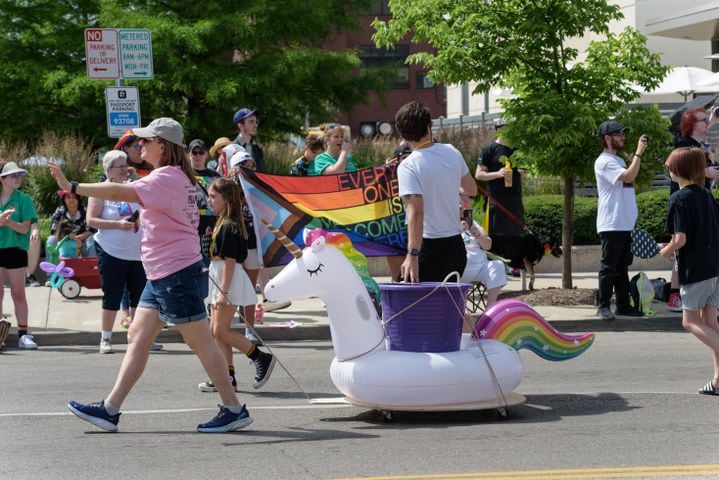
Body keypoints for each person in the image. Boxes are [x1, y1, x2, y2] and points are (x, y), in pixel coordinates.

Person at [52, 117, 254, 433]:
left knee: (201, 342)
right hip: (164, 274)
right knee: (139, 336)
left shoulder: (166, 178)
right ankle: (110, 409)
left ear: (163, 145)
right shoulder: (172, 177)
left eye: (146, 141)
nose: (140, 145)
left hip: (176, 275)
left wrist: (72, 186)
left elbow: (119, 192)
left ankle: (233, 408)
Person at [197, 178, 276, 392]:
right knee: (216, 331)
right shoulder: (223, 223)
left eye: (213, 196)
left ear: (227, 199)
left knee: (220, 330)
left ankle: (260, 357)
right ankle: (226, 377)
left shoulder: (229, 226)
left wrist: (223, 293)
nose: (209, 200)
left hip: (227, 281)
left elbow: (230, 262)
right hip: (220, 277)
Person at [86, 150, 161, 354]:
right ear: (109, 169)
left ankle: (140, 338)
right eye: (119, 166)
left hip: (138, 253)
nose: (124, 169)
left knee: (140, 297)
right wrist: (118, 224)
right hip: (111, 251)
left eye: (125, 165)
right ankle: (106, 338)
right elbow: (91, 220)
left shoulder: (135, 187)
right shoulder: (101, 190)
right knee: (112, 294)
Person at [394, 101, 477, 283]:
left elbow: (416, 212)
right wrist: (447, 185)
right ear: (429, 126)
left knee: (407, 308)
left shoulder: (408, 166)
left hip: (430, 248)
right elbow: (472, 189)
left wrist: (412, 255)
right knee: (445, 309)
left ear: (402, 133)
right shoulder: (452, 151)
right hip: (456, 247)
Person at [660, 147, 719, 395]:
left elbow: (681, 238)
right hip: (714, 267)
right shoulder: (707, 195)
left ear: (677, 170)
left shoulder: (679, 198)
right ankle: (718, 381)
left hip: (695, 269)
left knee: (690, 321)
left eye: (669, 165)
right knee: (710, 323)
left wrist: (667, 250)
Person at [594, 120, 648, 321]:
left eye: (623, 133)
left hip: (624, 222)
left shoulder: (618, 161)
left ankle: (623, 305)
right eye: (618, 134)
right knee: (609, 267)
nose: (623, 137)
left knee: (622, 266)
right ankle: (603, 306)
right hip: (612, 222)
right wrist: (639, 152)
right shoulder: (604, 161)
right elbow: (628, 177)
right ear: (607, 138)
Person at [666, 108, 719, 312]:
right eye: (703, 120)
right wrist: (706, 171)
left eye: (708, 120)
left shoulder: (698, 144)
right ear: (691, 123)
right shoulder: (683, 145)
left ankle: (686, 296)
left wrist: (712, 120)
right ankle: (675, 296)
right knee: (681, 248)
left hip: (699, 200)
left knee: (688, 247)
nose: (707, 123)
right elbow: (678, 166)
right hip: (687, 203)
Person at [0, 161, 37, 349]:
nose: (18, 178)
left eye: (19, 175)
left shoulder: (24, 200)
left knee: (18, 293)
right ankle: (0, 336)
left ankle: (24, 335)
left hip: (16, 250)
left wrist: (7, 223)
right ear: (2, 179)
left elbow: (24, 228)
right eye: (13, 175)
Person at [474, 118, 527, 237]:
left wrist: (521, 172)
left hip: (515, 198)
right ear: (498, 130)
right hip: (497, 199)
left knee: (517, 234)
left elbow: (525, 173)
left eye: (510, 128)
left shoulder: (516, 150)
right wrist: (498, 174)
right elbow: (479, 175)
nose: (508, 130)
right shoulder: (489, 150)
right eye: (504, 127)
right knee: (497, 235)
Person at [459, 198, 506, 307]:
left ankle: (490, 310)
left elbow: (488, 245)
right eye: (458, 207)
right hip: (459, 269)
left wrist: (475, 232)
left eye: (461, 208)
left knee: (497, 265)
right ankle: (461, 315)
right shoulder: (446, 225)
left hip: (480, 268)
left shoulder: (473, 223)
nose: (460, 208)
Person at [188, 139, 221, 265]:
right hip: (189, 230)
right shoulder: (183, 174)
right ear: (188, 155)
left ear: (206, 154)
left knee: (209, 269)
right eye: (194, 152)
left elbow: (222, 201)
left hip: (210, 229)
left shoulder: (215, 176)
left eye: (200, 152)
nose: (197, 156)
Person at [385, 142, 412, 281]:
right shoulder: (387, 179)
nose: (408, 161)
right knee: (397, 277)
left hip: (416, 228)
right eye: (405, 158)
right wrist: (386, 171)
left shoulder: (421, 172)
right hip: (396, 230)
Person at [47, 190, 94, 260]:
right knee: (51, 240)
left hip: (82, 243)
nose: (71, 199)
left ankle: (92, 268)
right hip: (63, 243)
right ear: (64, 200)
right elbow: (54, 231)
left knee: (92, 240)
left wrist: (75, 239)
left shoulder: (85, 211)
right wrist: (68, 240)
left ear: (78, 199)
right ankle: (51, 268)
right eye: (68, 197)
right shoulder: (59, 211)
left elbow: (91, 230)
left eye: (74, 197)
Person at [232, 108, 265, 172]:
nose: (256, 125)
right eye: (251, 122)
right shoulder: (232, 149)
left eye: (256, 121)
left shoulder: (257, 149)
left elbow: (262, 174)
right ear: (241, 126)